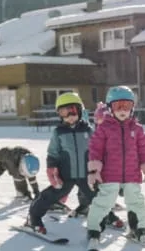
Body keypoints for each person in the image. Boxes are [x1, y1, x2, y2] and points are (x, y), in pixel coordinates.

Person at [85, 86, 145, 250]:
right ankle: (94, 232)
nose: (123, 110)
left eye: (127, 106)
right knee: (103, 203)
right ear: (110, 108)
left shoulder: (137, 129)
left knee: (136, 203)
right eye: (118, 106)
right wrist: (94, 171)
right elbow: (95, 150)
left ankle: (138, 229)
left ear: (132, 108)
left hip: (132, 175)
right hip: (109, 176)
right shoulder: (104, 128)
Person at [24, 92, 94, 234]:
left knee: (97, 196)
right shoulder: (59, 132)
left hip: (85, 175)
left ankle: (107, 216)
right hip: (65, 174)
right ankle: (33, 218)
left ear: (80, 111)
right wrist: (52, 168)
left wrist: (98, 167)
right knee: (49, 196)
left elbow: (96, 150)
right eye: (64, 112)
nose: (69, 116)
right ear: (60, 115)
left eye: (72, 111)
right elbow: (53, 152)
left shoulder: (88, 130)